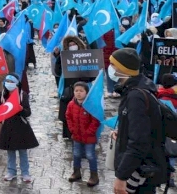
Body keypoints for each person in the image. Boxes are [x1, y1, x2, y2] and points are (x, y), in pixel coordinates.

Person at [109, 47, 168, 194]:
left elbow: (139, 142)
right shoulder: (135, 87)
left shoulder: (136, 96)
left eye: (113, 65)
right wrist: (122, 132)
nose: (110, 68)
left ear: (123, 68)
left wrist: (121, 177)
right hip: (138, 168)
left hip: (140, 172)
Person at [0, 73, 38, 183]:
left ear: (17, 83)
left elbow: (27, 112)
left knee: (23, 151)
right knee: (10, 151)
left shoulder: (23, 95)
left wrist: (20, 109)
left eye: (12, 82)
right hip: (8, 127)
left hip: (21, 127)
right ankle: (11, 171)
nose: (9, 84)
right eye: (7, 82)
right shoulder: (2, 95)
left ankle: (25, 173)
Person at [65, 81, 99, 187]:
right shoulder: (71, 104)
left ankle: (94, 175)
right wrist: (72, 129)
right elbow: (68, 116)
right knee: (76, 154)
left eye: (81, 91)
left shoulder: (91, 104)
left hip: (89, 136)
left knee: (90, 155)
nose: (78, 93)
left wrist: (89, 131)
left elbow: (95, 120)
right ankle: (76, 172)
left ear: (86, 92)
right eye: (76, 91)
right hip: (76, 135)